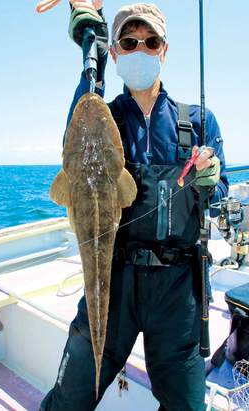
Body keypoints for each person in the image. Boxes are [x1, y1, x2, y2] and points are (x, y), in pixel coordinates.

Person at [40, 2, 229, 410]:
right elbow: (81, 115)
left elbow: (218, 194)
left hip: (178, 291)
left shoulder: (198, 122)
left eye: (151, 41)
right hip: (114, 276)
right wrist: (90, 39)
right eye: (128, 42)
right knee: (69, 399)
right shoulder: (102, 118)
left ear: (164, 49)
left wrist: (211, 181)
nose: (140, 49)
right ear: (116, 52)